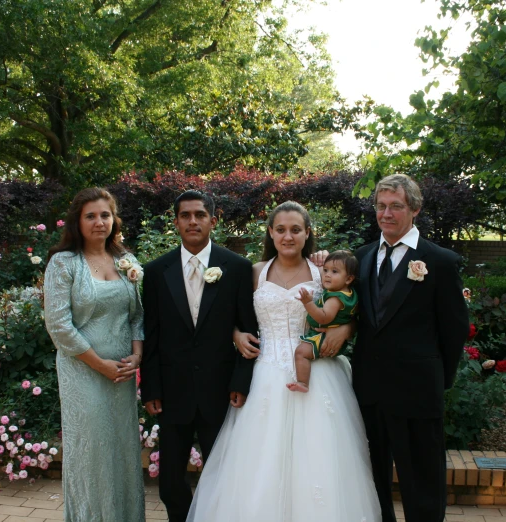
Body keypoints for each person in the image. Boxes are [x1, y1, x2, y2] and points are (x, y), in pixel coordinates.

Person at [186, 201, 381, 522]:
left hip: (317, 373)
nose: (288, 236)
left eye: (295, 230)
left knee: (317, 458)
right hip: (264, 373)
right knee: (261, 461)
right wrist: (236, 334)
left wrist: (346, 328)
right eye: (281, 229)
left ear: (307, 234)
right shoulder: (255, 272)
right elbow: (225, 316)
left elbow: (354, 310)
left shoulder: (324, 272)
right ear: (270, 233)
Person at [353, 174, 469, 522]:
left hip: (417, 390)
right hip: (369, 389)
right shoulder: (361, 257)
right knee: (372, 482)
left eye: (396, 206)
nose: (386, 214)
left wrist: (437, 378)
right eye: (381, 206)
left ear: (415, 209)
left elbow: (455, 329)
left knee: (422, 483)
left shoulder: (441, 262)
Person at [139, 190, 257, 522]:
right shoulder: (156, 271)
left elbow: (247, 330)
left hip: (219, 390)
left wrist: (241, 381)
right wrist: (151, 388)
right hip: (172, 392)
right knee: (171, 481)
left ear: (213, 221)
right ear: (175, 222)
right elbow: (152, 334)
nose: (193, 221)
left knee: (221, 474)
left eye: (200, 215)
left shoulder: (236, 268)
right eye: (186, 215)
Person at [43, 187, 145, 522]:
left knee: (123, 448)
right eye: (91, 216)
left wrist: (137, 353)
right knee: (93, 452)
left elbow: (137, 315)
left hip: (122, 375)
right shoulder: (64, 263)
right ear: (78, 221)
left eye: (105, 215)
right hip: (83, 372)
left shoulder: (125, 260)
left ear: (114, 219)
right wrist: (99, 365)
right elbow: (58, 324)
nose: (99, 222)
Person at [288, 249, 359, 393]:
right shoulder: (349, 293)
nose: (327, 274)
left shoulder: (335, 298)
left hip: (325, 337)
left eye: (334, 271)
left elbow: (323, 317)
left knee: (301, 352)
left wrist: (308, 303)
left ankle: (303, 382)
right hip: (332, 337)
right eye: (325, 270)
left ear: (348, 279)